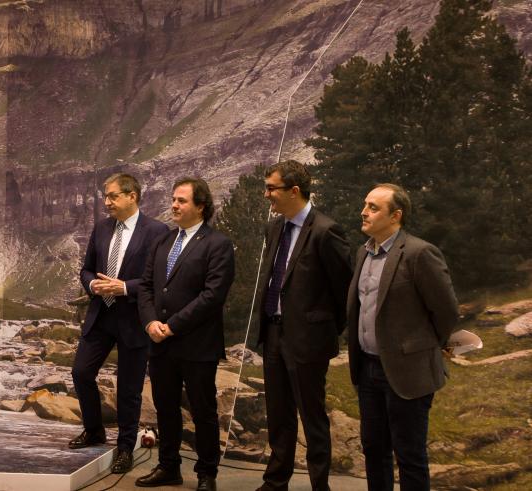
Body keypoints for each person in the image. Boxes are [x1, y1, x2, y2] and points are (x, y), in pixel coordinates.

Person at [348, 183, 457, 490]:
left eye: (373, 207)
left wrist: (427, 346)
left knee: (409, 455)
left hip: (407, 372)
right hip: (368, 368)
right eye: (365, 205)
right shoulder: (363, 252)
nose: (363, 212)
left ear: (395, 216)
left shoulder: (419, 253)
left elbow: (446, 311)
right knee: (374, 450)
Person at [255, 160, 352, 491]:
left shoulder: (326, 232)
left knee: (312, 418)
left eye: (272, 188)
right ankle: (275, 482)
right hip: (273, 334)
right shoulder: (274, 228)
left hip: (308, 340)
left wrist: (322, 330)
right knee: (279, 414)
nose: (267, 194)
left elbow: (344, 292)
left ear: (294, 191)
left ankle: (319, 485)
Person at [136, 178, 235, 491]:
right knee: (165, 408)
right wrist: (151, 322)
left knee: (203, 411)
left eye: (181, 201)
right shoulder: (164, 241)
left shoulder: (217, 244)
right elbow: (147, 287)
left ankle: (207, 474)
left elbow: (212, 295)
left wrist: (173, 325)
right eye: (173, 200)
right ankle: (169, 467)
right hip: (160, 343)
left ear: (200, 206)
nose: (174, 205)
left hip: (197, 345)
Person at [69, 173, 169, 474]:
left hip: (134, 319)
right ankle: (94, 430)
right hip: (101, 314)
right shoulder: (101, 228)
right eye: (106, 196)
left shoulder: (157, 231)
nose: (107, 202)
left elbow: (159, 281)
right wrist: (92, 286)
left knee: (128, 388)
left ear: (132, 196)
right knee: (81, 372)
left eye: (112, 196)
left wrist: (124, 287)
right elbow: (86, 269)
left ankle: (125, 447)